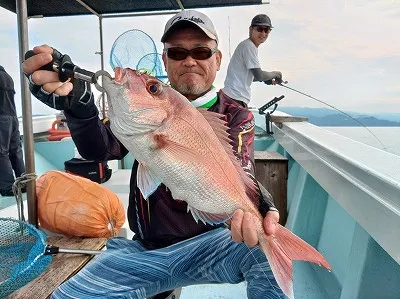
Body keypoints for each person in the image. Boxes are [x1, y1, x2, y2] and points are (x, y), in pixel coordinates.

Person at [23, 10, 284, 299]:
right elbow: (100, 148)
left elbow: (240, 171)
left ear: (217, 59)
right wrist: (79, 108)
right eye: (176, 52)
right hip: (146, 250)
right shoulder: (139, 114)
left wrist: (261, 204)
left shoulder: (237, 116)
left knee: (268, 252)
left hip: (211, 246)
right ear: (164, 61)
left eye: (201, 51)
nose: (189, 60)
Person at [221, 14, 283, 107]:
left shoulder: (248, 46)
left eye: (266, 30)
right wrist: (276, 74)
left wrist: (266, 80)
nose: (263, 33)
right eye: (259, 29)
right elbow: (259, 75)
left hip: (230, 98)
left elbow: (250, 76)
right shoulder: (249, 46)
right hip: (235, 100)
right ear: (251, 29)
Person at [0, 65, 25, 197]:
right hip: (13, 118)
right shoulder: (8, 77)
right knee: (16, 151)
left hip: (1, 118)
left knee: (1, 152)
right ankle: (24, 183)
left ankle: (7, 187)